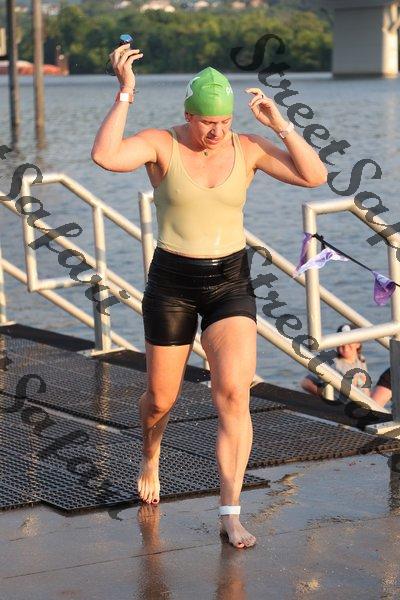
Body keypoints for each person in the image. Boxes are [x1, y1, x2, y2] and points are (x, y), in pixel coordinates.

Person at [91, 42, 327, 549]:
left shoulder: (249, 147)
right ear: (189, 116)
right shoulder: (161, 144)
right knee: (161, 399)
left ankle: (230, 512)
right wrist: (126, 92)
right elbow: (105, 156)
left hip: (230, 282)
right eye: (206, 122)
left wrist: (279, 124)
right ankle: (150, 454)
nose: (216, 131)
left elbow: (315, 176)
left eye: (223, 121)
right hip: (172, 284)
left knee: (235, 393)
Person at [300, 323, 371, 401]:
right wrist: (327, 396)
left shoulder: (361, 360)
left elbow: (365, 387)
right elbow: (305, 383)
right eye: (341, 341)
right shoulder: (331, 362)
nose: (345, 346)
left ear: (358, 343)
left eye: (349, 341)